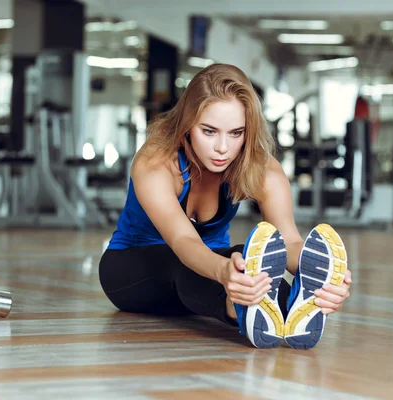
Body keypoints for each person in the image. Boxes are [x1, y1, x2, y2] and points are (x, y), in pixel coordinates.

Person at [98, 63, 352, 350]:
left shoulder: (264, 169)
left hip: (209, 271)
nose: (222, 148)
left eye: (236, 133)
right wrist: (223, 273)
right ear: (187, 126)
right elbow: (183, 241)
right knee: (188, 265)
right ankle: (238, 306)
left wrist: (324, 280)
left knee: (245, 259)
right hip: (130, 269)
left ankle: (292, 312)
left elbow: (290, 239)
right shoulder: (156, 162)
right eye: (209, 131)